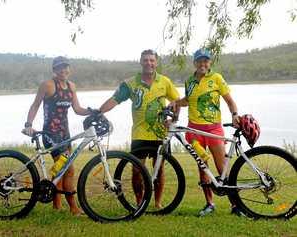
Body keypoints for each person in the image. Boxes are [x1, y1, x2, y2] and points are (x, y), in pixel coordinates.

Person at [99, 49, 180, 208]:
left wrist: (174, 120)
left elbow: (177, 101)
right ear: (141, 62)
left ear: (156, 62)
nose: (149, 63)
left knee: (160, 169)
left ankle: (157, 203)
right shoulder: (130, 83)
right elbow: (114, 99)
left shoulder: (164, 81)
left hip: (160, 134)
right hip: (140, 134)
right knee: (136, 170)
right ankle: (139, 203)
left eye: (152, 60)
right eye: (145, 60)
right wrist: (98, 111)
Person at [169, 48, 243, 217]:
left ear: (209, 63)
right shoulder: (189, 81)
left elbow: (230, 101)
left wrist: (234, 115)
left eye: (206, 61)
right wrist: (175, 103)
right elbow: (187, 100)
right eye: (199, 61)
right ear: (194, 63)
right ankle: (209, 203)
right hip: (194, 131)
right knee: (202, 167)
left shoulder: (216, 78)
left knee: (221, 167)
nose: (203, 64)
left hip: (214, 129)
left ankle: (235, 205)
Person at [22, 56, 90, 215]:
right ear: (54, 70)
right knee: (68, 168)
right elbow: (35, 105)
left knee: (63, 169)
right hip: (50, 133)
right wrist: (28, 125)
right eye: (59, 68)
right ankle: (73, 208)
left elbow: (77, 109)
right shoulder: (47, 85)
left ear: (69, 69)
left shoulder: (71, 86)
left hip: (65, 134)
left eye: (66, 67)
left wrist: (94, 111)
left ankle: (57, 205)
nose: (63, 70)